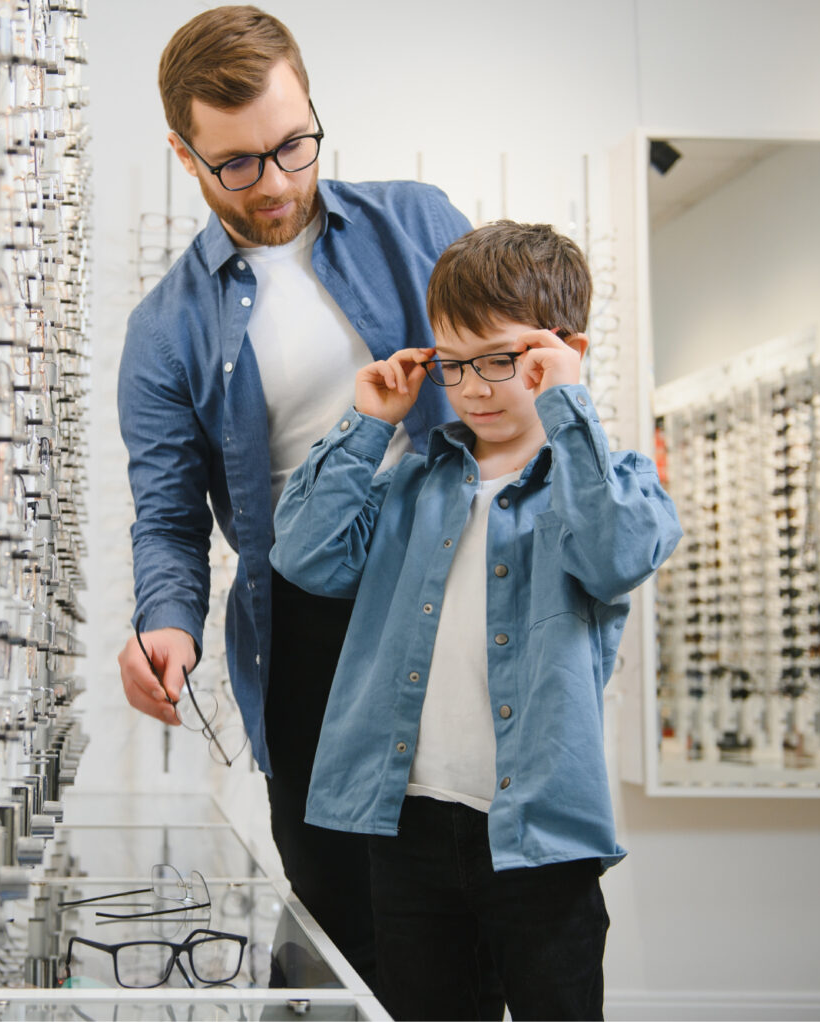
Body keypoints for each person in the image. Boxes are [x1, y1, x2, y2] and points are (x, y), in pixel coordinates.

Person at [114, 4, 472, 990]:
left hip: (457, 602)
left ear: (312, 108)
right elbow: (172, 521)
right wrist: (166, 627)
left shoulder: (423, 223)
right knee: (339, 935)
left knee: (467, 924)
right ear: (187, 156)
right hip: (307, 627)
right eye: (238, 164)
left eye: (293, 145)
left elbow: (518, 386)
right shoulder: (163, 330)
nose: (275, 183)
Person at [270, 221, 682, 1019]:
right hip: (409, 825)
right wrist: (369, 422)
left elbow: (615, 554)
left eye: (502, 361)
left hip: (539, 837)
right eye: (454, 365)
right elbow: (306, 556)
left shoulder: (610, 481)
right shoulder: (414, 483)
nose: (476, 388)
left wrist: (568, 403)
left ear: (562, 351)